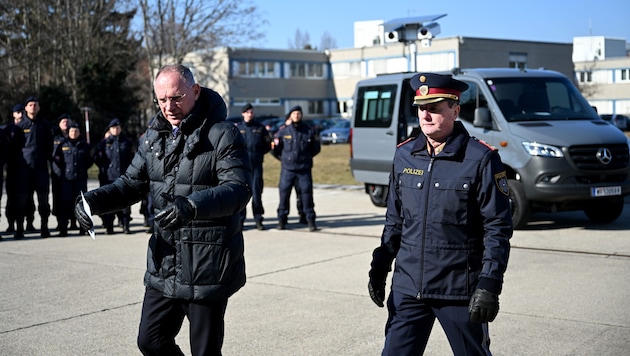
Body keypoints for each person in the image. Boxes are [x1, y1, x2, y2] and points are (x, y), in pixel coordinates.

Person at [74, 64, 251, 355]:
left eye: (177, 97)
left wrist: (191, 206)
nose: (169, 106)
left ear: (195, 91)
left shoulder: (223, 134)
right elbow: (131, 184)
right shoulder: (153, 137)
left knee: (204, 352)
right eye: (162, 99)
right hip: (165, 259)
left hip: (206, 263)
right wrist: (92, 202)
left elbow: (239, 189)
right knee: (151, 340)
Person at [367, 73, 512, 355]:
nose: (426, 115)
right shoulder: (404, 154)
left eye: (435, 108)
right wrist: (380, 265)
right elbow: (395, 220)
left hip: (457, 289)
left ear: (455, 110)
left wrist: (489, 283)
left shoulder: (480, 159)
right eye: (422, 108)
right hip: (409, 286)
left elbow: (498, 226)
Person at [272, 105, 320, 231]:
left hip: (304, 169)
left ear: (301, 115)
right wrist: (284, 159)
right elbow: (275, 149)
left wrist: (305, 158)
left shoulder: (309, 131)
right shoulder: (283, 131)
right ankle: (282, 220)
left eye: (298, 113)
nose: (296, 116)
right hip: (288, 169)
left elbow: (316, 148)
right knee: (284, 195)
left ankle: (309, 220)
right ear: (290, 116)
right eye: (294, 114)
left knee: (306, 195)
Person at [15, 96, 54, 239]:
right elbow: (14, 148)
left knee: (43, 200)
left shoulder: (44, 125)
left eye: (35, 105)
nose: (32, 107)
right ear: (25, 108)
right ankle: (20, 229)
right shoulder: (19, 127)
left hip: (41, 169)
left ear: (39, 108)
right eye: (30, 105)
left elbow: (50, 146)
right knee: (22, 200)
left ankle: (44, 228)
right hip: (24, 170)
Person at [93, 118, 134, 234]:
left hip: (124, 177)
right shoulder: (103, 143)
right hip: (108, 177)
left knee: (125, 202)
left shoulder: (126, 142)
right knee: (109, 203)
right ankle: (109, 226)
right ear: (110, 129)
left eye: (118, 128)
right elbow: (97, 159)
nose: (116, 130)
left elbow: (132, 158)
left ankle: (126, 224)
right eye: (113, 128)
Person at [51, 121, 92, 236]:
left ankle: (83, 228)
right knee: (65, 203)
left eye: (76, 131)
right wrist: (62, 173)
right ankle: (63, 228)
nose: (74, 133)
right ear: (68, 132)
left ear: (79, 132)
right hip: (66, 180)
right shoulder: (62, 144)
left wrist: (82, 170)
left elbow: (89, 161)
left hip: (80, 179)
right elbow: (57, 160)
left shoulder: (84, 145)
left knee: (81, 204)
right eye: (72, 131)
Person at [236, 103, 271, 230]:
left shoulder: (260, 128)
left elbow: (267, 146)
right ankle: (240, 221)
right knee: (242, 194)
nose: (250, 114)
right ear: (243, 114)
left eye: (251, 112)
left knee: (257, 194)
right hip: (242, 167)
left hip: (256, 166)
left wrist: (259, 154)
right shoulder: (238, 128)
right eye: (247, 112)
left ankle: (258, 219)